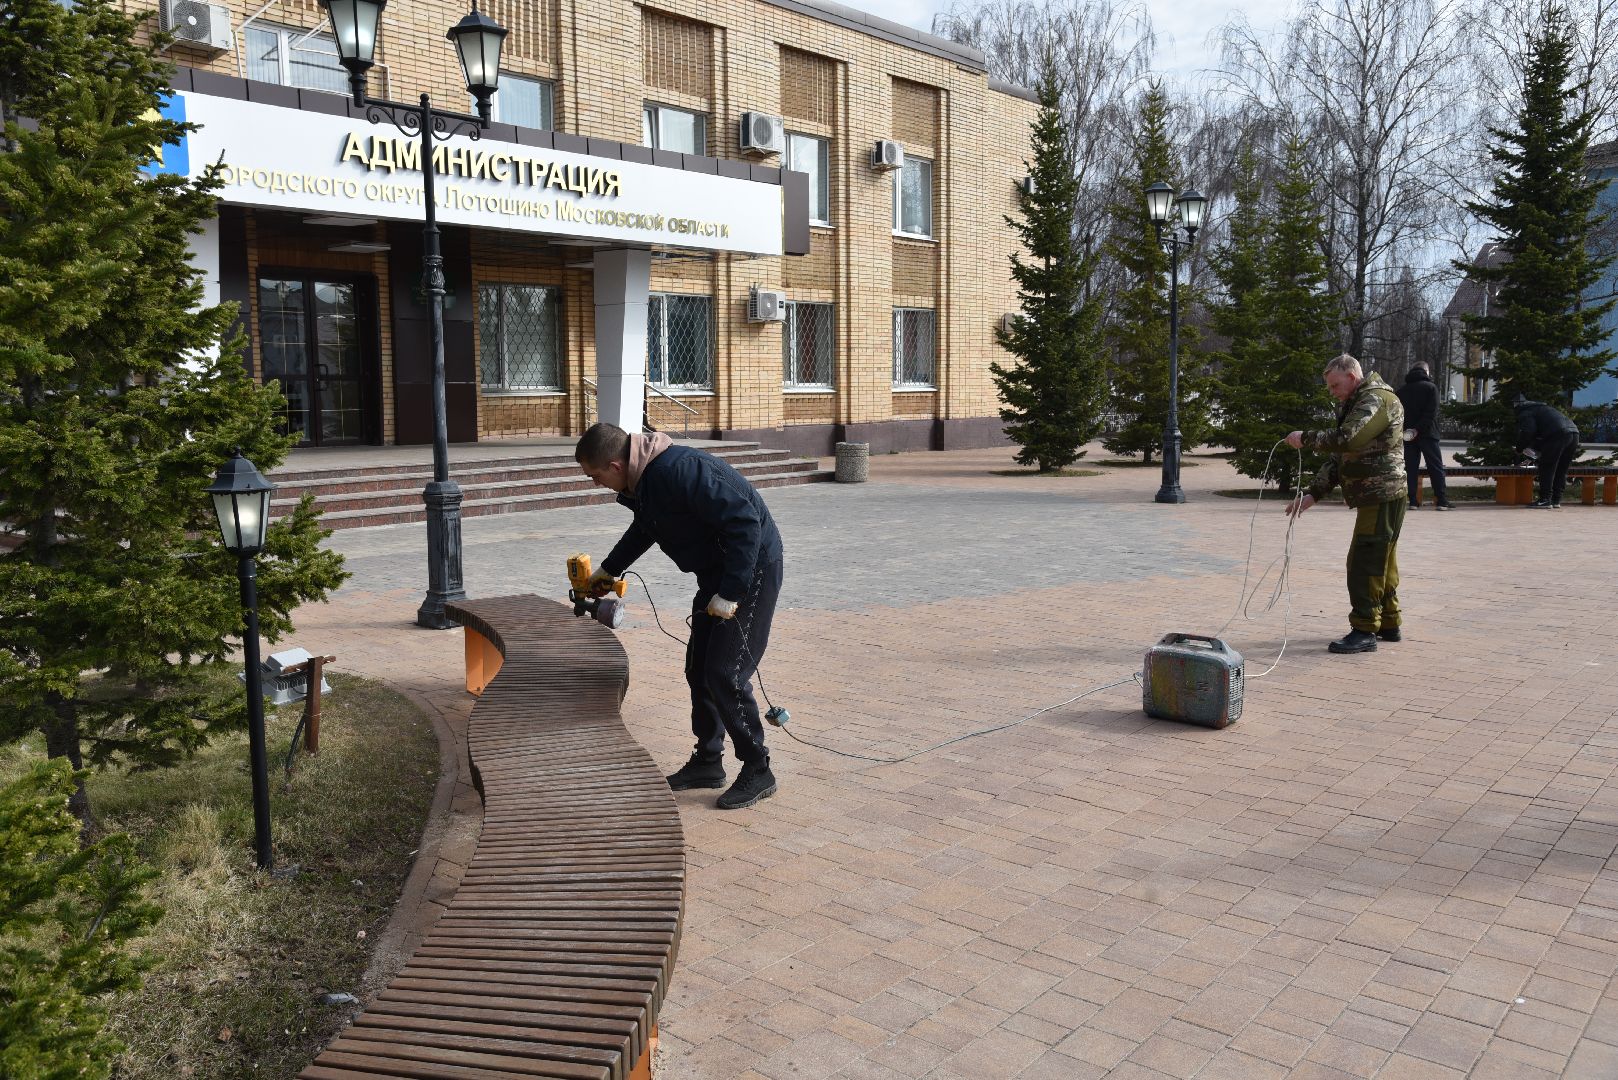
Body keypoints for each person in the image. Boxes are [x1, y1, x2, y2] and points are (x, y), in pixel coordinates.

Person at [575, 422, 785, 809]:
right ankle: (708, 761)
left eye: (595, 475)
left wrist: (732, 593)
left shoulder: (678, 470)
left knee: (725, 672)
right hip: (718, 574)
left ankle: (758, 767)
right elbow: (646, 528)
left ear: (616, 465)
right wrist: (609, 571)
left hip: (750, 570)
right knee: (698, 668)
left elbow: (745, 524)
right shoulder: (646, 479)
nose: (594, 483)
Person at [1285, 354, 1407, 654]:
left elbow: (1347, 440)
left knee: (1365, 560)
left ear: (1352, 376)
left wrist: (1306, 438)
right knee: (1382, 559)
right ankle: (1388, 622)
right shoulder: (1357, 401)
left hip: (1382, 492)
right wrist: (1314, 492)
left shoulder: (1376, 399)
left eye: (1334, 385)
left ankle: (1365, 630)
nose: (1332, 391)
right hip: (1376, 494)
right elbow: (1341, 458)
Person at [1396, 362, 1451, 510]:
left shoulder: (1401, 391)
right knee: (1435, 467)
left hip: (1408, 435)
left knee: (1410, 468)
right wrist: (1418, 429)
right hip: (1428, 433)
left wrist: (1410, 431)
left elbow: (1398, 415)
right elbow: (1431, 414)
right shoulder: (1431, 388)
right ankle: (1441, 500)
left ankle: (1413, 500)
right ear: (1426, 371)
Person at [1512, 396, 1580, 509]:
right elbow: (1540, 438)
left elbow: (1528, 432)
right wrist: (1532, 456)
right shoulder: (1542, 408)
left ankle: (1545, 499)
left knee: (1547, 467)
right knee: (1561, 468)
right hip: (1574, 433)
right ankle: (1556, 500)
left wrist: (1519, 449)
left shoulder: (1525, 412)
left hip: (1558, 434)